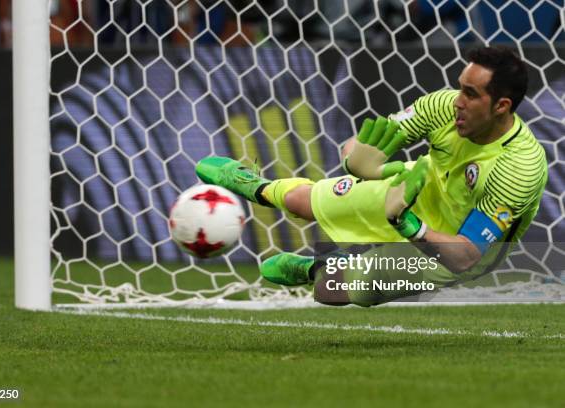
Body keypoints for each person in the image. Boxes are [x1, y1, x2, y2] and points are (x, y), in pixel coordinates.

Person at [195, 46, 547, 306]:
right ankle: (255, 185)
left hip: (451, 249)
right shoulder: (443, 106)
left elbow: (466, 255)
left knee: (335, 290)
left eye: (471, 94)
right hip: (415, 189)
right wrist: (356, 162)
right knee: (303, 202)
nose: (458, 101)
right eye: (460, 87)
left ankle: (314, 268)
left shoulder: (518, 168)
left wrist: (409, 225)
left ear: (501, 106)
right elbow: (362, 144)